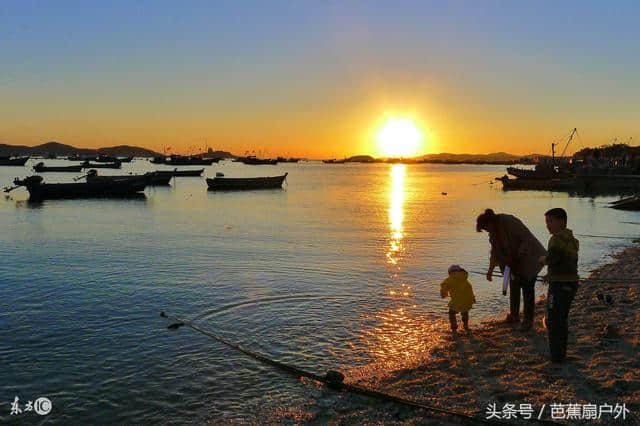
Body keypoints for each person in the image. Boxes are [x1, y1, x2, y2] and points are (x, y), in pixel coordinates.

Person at [476, 209, 546, 331]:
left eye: (486, 228)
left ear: (490, 223)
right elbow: (494, 253)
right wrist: (490, 271)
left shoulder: (509, 221)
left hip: (530, 257)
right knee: (514, 286)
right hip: (511, 263)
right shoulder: (493, 233)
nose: (487, 232)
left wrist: (518, 255)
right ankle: (514, 316)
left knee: (528, 288)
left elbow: (526, 238)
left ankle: (528, 321)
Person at [539, 208, 579, 363]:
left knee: (552, 320)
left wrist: (542, 260)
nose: (547, 225)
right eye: (546, 222)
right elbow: (566, 261)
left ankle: (556, 357)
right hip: (572, 283)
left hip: (560, 286)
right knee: (561, 319)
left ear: (561, 221)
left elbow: (553, 258)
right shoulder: (570, 238)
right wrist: (550, 274)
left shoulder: (555, 239)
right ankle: (561, 354)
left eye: (550, 221)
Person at [440, 265, 476, 332]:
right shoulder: (465, 279)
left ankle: (454, 326)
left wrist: (443, 294)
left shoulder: (448, 280)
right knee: (465, 312)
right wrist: (473, 298)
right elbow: (470, 289)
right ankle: (465, 325)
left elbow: (443, 287)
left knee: (451, 313)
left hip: (456, 301)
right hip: (467, 300)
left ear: (450, 272)